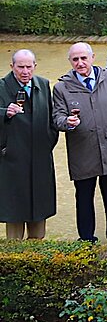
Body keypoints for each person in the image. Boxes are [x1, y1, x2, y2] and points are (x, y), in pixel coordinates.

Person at [53, 43, 107, 252]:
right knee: (84, 198)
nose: (80, 63)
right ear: (70, 62)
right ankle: (87, 242)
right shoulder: (62, 87)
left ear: (92, 57)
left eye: (83, 58)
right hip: (83, 152)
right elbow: (57, 117)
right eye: (75, 59)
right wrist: (66, 122)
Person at [1, 50, 58, 240]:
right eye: (20, 67)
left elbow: (51, 119)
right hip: (12, 162)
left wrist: (47, 141)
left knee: (39, 213)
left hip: (40, 159)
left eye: (28, 66)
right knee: (15, 215)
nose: (25, 71)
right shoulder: (1, 87)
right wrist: (4, 113)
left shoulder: (43, 84)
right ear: (12, 67)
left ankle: (37, 258)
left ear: (35, 66)